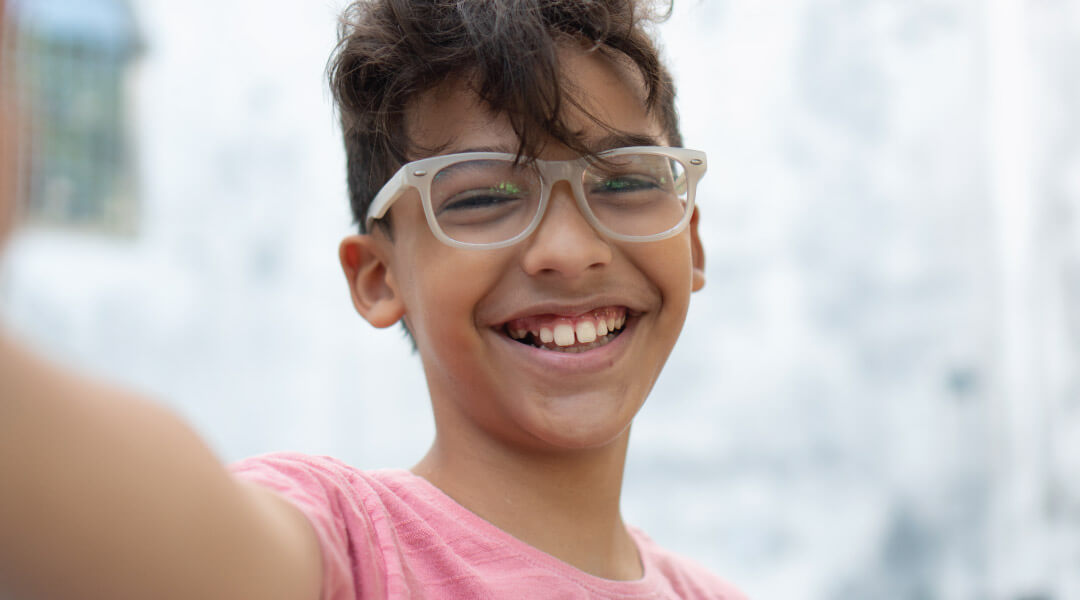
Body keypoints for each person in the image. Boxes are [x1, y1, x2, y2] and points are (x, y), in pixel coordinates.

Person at [0, 0, 745, 598]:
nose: (568, 250)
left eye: (625, 182)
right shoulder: (347, 549)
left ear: (694, 241)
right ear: (377, 277)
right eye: (483, 196)